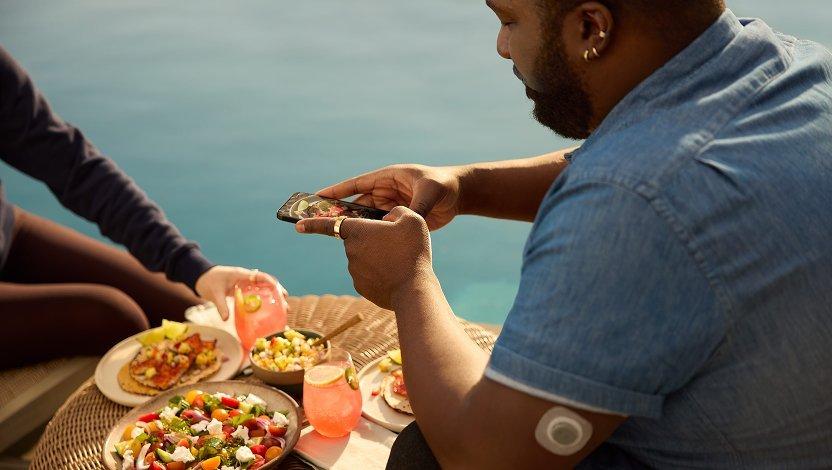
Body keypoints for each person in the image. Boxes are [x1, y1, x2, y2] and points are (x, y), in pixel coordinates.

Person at [297, 0, 832, 468]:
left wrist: (408, 284)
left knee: (427, 455)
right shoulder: (802, 68)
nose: (502, 47)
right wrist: (467, 186)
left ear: (590, 27)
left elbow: (485, 460)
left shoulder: (627, 205)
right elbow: (657, 157)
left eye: (509, 20)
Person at [0, 46, 287, 368]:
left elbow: (75, 166)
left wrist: (194, 267)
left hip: (8, 233)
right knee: (115, 315)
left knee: (188, 312)